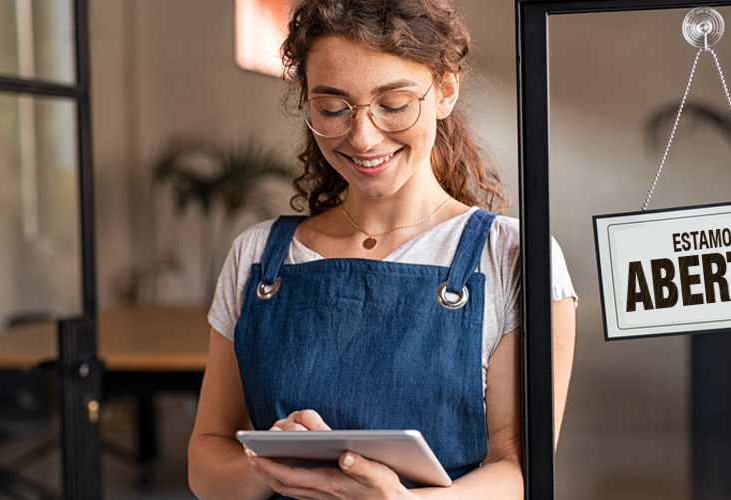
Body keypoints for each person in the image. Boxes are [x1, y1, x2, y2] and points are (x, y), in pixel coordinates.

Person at [187, 0, 577, 498]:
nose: (363, 137)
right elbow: (206, 457)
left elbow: (521, 471)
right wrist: (274, 467)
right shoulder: (259, 255)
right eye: (332, 108)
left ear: (446, 91)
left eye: (393, 104)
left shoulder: (513, 255)